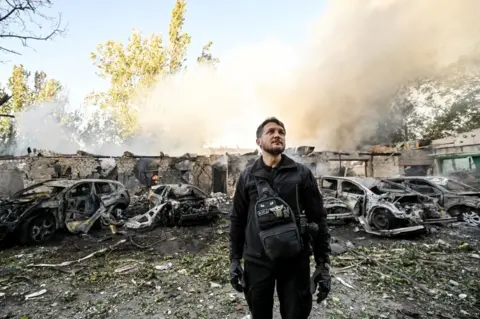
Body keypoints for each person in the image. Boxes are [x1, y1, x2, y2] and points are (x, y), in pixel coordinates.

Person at [228, 117, 332, 319]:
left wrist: (323, 264)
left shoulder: (301, 174)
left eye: (281, 132)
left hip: (295, 260)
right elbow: (237, 219)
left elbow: (318, 219)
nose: (277, 135)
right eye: (271, 132)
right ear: (259, 141)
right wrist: (234, 260)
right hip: (257, 260)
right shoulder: (248, 176)